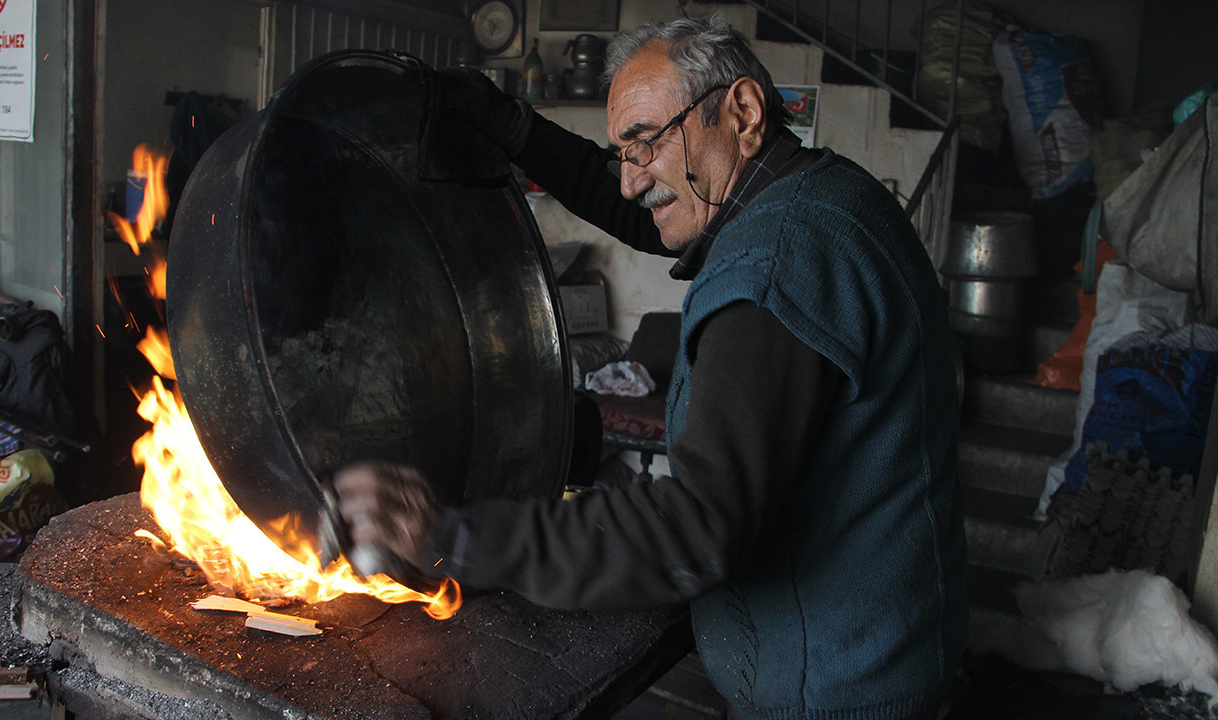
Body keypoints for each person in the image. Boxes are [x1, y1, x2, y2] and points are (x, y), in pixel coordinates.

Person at [336, 15, 966, 720]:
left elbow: (700, 522)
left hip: (839, 698)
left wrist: (456, 538)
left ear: (744, 112)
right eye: (621, 153)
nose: (632, 182)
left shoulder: (776, 266)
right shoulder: (815, 192)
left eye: (645, 143)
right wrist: (517, 130)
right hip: (884, 657)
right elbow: (650, 209)